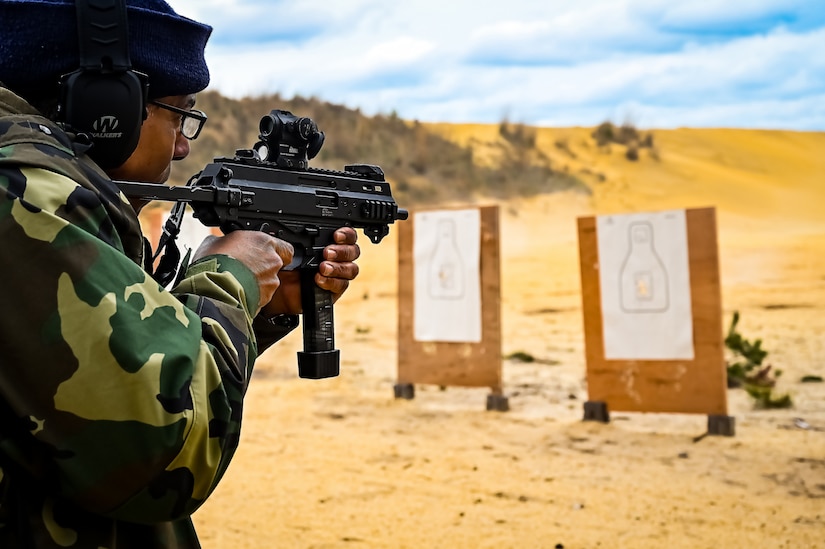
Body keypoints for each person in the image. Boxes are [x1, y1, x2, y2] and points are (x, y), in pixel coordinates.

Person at [0, 0, 361, 546]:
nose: (185, 143)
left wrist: (256, 309)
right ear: (107, 104)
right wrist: (227, 281)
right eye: (180, 112)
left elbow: (85, 379)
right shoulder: (29, 194)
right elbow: (158, 454)